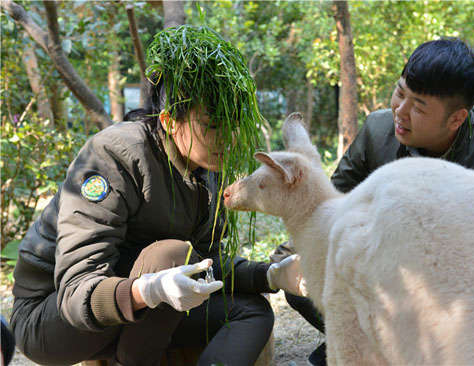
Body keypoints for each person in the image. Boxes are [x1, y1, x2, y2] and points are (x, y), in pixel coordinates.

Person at [10, 25, 302, 366]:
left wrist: (271, 275)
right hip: (52, 316)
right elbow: (76, 294)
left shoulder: (208, 166)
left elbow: (207, 264)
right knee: (173, 255)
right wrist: (149, 290)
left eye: (235, 123)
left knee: (251, 309)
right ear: (168, 120)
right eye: (213, 123)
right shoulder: (114, 155)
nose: (230, 138)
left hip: (147, 314)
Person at [274, 37, 474, 366]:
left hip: (473, 288)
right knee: (302, 279)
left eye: (418, 106)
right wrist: (288, 260)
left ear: (457, 118)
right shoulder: (378, 131)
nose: (400, 112)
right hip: (395, 282)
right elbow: (328, 207)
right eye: (400, 93)